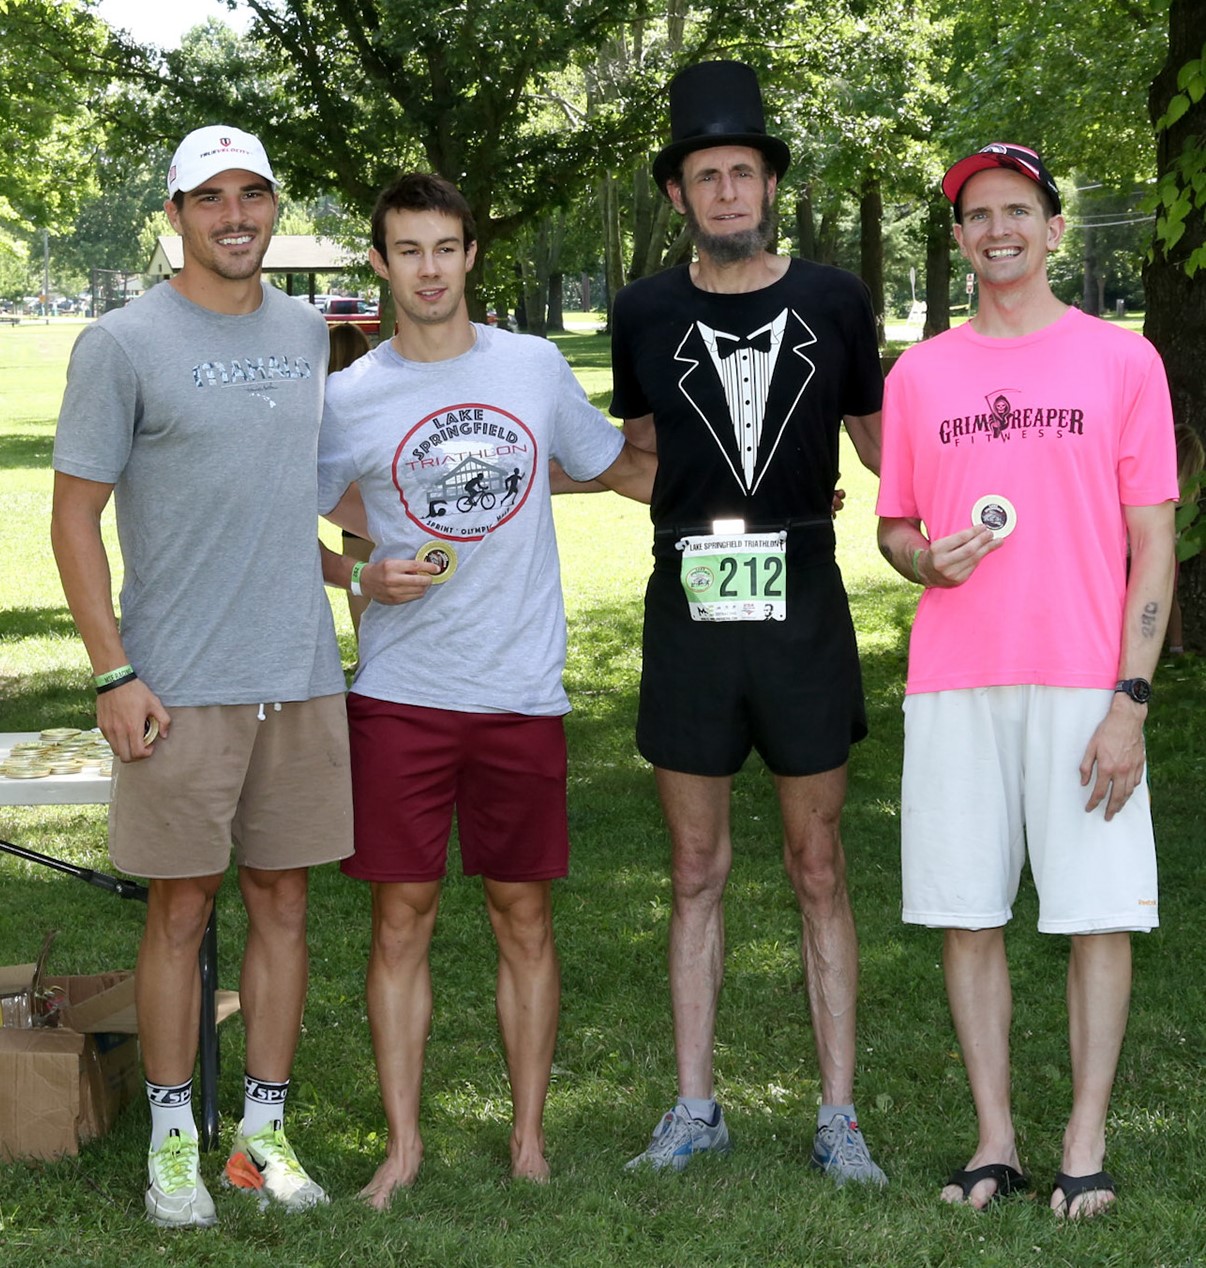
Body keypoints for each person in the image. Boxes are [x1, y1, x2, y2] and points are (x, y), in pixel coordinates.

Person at [316, 172, 656, 1207]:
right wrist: (360, 574)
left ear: (471, 257)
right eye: (408, 249)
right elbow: (289, 522)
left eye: (446, 248)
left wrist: (762, 487)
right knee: (401, 918)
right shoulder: (349, 395)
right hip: (402, 694)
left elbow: (614, 465)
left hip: (519, 691)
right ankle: (405, 1145)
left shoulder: (534, 365)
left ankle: (528, 1138)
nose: (429, 268)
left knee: (523, 915)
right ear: (380, 263)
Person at [50, 125, 352, 1228]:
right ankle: (174, 1140)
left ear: (275, 207)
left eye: (255, 194)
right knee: (180, 908)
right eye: (211, 196)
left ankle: (258, 1136)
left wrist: (353, 563)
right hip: (177, 680)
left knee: (285, 899)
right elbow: (72, 519)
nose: (236, 214)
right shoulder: (120, 343)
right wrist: (113, 671)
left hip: (300, 670)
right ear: (174, 212)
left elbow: (279, 495)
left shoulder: (307, 332)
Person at [875, 143, 1178, 1218]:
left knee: (1098, 914)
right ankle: (994, 1136)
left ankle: (1084, 1138)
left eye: (1018, 211)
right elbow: (897, 528)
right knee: (968, 912)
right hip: (957, 681)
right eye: (977, 215)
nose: (997, 229)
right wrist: (922, 558)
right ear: (958, 240)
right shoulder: (919, 375)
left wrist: (1128, 702)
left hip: (1085, 683)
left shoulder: (1121, 362)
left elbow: (1156, 545)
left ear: (1055, 227)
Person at [606, 61, 886, 1184]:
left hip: (804, 607)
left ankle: (838, 1116)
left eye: (743, 173)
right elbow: (639, 461)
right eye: (704, 176)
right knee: (693, 867)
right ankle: (694, 1104)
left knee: (818, 863)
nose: (726, 192)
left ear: (770, 184)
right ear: (678, 194)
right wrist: (517, 473)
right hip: (689, 606)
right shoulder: (643, 310)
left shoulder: (831, 300)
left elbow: (883, 446)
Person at [328, 322, 375, 637]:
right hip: (385, 505)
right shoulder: (375, 402)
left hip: (349, 514)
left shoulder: (325, 405)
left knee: (360, 593)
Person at [1166, 422, 1205, 655]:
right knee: (1169, 597)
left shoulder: (1166, 472)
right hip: (1171, 542)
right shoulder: (1187, 481)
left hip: (1153, 540)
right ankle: (1176, 647)